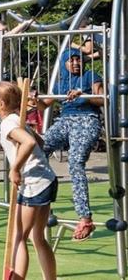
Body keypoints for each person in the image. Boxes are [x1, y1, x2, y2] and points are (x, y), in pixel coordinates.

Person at [0, 82, 57, 280]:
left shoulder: (8, 122)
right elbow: (40, 142)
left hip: (34, 183)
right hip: (46, 178)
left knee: (20, 237)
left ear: (0, 104)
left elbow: (30, 142)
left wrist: (15, 168)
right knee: (37, 237)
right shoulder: (19, 119)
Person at [34, 48, 104, 241]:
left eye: (78, 59)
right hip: (65, 121)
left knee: (75, 162)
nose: (75, 63)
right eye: (71, 60)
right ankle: (42, 204)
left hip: (87, 120)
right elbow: (43, 105)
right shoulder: (60, 84)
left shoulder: (91, 76)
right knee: (36, 150)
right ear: (64, 63)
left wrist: (83, 95)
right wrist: (34, 99)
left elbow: (102, 99)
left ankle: (85, 218)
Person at [0, 18, 34, 86]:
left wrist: (26, 25)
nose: (5, 32)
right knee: (5, 88)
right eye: (2, 30)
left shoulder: (5, 40)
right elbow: (11, 33)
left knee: (15, 87)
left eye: (6, 30)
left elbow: (17, 34)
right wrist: (24, 23)